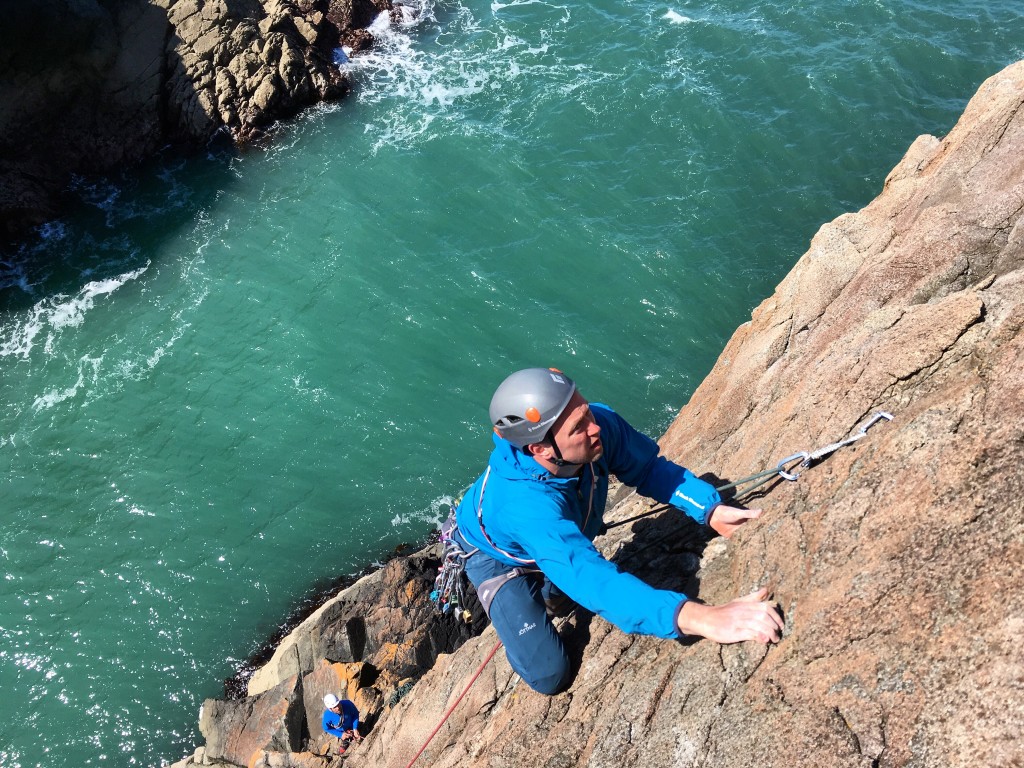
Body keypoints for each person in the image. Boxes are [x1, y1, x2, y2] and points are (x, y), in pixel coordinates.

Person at [452, 367, 784, 695]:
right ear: (540, 449)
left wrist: (709, 508)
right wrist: (703, 618)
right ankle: (517, 602)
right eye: (579, 426)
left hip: (552, 530)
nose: (595, 426)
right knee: (550, 674)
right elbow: (592, 580)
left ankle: (550, 590)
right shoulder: (525, 507)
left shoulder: (596, 427)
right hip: (495, 555)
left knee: (564, 595)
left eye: (585, 411)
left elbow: (648, 468)